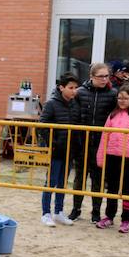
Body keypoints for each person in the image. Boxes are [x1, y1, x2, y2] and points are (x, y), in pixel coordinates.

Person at [95, 85, 129, 233]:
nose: (122, 101)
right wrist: (101, 156)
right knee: (111, 187)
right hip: (112, 155)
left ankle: (126, 219)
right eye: (119, 98)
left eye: (125, 98)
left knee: (126, 189)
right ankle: (109, 216)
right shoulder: (113, 114)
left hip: (128, 157)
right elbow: (105, 135)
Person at [68, 63, 117, 223]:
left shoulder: (112, 94)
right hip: (82, 141)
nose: (104, 79)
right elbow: (74, 114)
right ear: (91, 77)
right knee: (80, 177)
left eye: (106, 76)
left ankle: (96, 211)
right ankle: (76, 209)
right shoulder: (80, 92)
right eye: (101, 76)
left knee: (98, 179)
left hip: (101, 143)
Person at [39, 73, 81, 227]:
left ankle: (59, 212)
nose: (74, 91)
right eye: (71, 88)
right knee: (51, 182)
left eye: (76, 88)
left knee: (63, 182)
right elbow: (42, 125)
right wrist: (53, 143)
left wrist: (76, 144)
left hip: (69, 151)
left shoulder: (75, 104)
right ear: (61, 87)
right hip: (56, 150)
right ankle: (46, 213)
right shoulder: (51, 104)